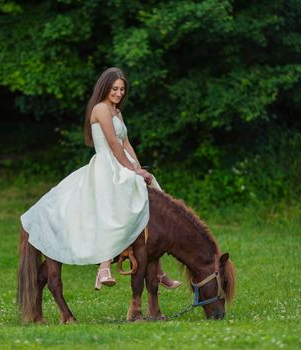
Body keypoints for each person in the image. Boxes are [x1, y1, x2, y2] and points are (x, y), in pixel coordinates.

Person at [21, 67, 181, 291]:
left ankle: (159, 270)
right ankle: (104, 266)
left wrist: (138, 167)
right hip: (107, 164)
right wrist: (131, 170)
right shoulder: (101, 109)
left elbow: (126, 144)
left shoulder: (117, 112)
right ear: (105, 87)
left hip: (121, 162)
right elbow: (114, 145)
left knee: (150, 197)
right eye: (115, 88)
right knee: (113, 204)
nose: (118, 93)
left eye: (122, 89)